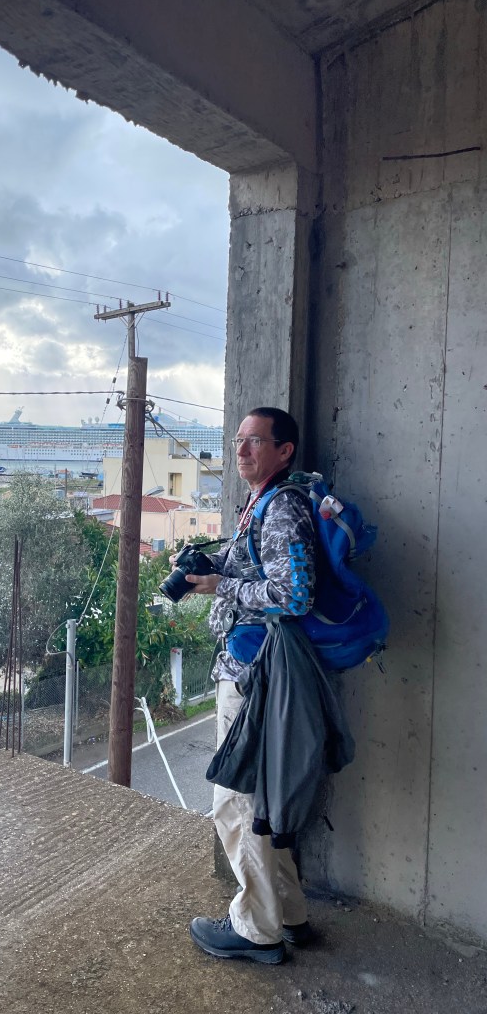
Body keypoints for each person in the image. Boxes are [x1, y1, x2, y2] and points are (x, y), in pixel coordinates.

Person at [182, 406, 317, 965]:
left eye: (255, 441)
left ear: (284, 450)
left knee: (235, 802)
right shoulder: (260, 501)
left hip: (253, 676)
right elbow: (261, 570)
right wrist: (213, 567)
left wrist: (224, 586)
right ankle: (289, 915)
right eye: (239, 439)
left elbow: (295, 595)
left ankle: (256, 930)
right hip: (254, 670)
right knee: (257, 800)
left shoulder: (281, 506)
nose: (240, 450)